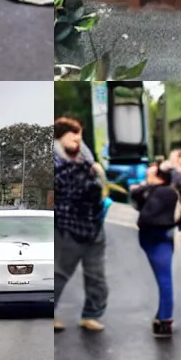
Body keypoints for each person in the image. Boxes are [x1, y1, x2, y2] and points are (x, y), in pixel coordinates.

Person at [54, 117, 109, 332]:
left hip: (94, 226)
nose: (77, 139)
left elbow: (96, 178)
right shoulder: (56, 163)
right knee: (60, 273)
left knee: (97, 276)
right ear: (59, 138)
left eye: (80, 135)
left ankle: (91, 315)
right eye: (73, 134)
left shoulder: (82, 155)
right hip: (69, 228)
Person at [128, 160, 181, 338]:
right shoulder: (158, 191)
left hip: (156, 238)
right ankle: (163, 317)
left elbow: (137, 198)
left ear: (159, 176)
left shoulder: (161, 192)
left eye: (150, 174)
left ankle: (165, 318)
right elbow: (136, 195)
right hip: (160, 239)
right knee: (164, 280)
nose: (147, 177)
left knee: (164, 281)